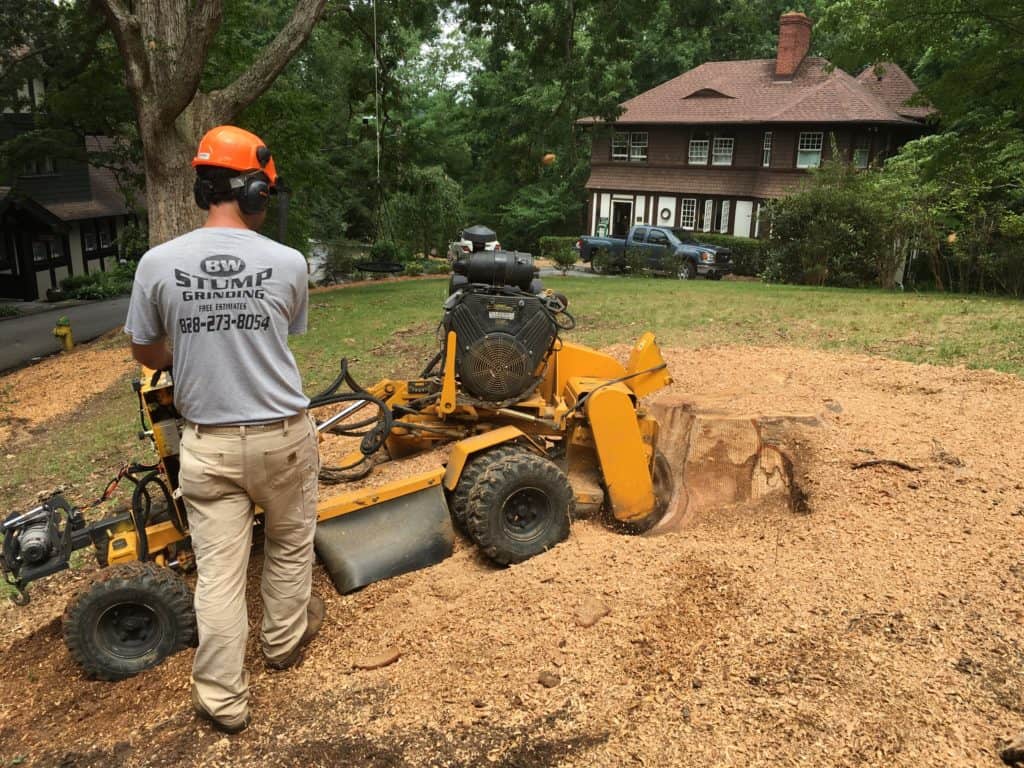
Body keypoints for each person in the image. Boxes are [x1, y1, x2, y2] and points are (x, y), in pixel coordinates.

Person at [124, 125, 323, 734]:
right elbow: (279, 333)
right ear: (254, 192)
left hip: (207, 446)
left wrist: (183, 351)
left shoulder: (157, 264)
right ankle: (283, 644)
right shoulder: (287, 263)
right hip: (284, 438)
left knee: (218, 575)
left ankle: (222, 700)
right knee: (290, 546)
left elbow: (146, 351)